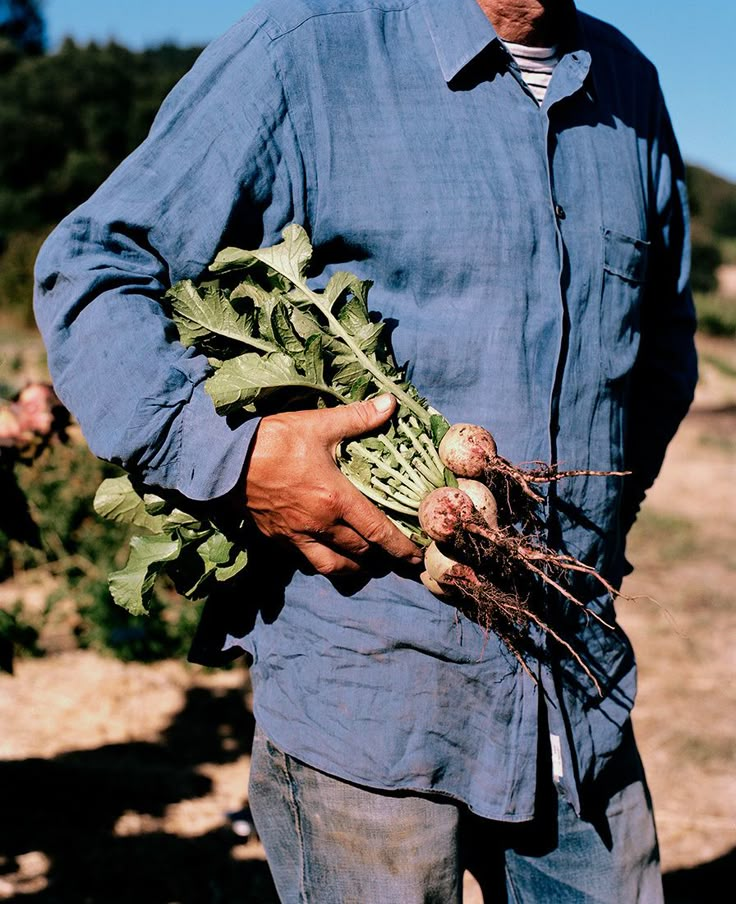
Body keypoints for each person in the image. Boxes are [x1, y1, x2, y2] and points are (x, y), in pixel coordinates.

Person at [34, 0, 697, 900]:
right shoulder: (306, 53)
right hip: (369, 696)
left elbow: (658, 347)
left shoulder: (630, 86)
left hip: (577, 692)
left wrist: (598, 537)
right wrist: (232, 458)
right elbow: (94, 264)